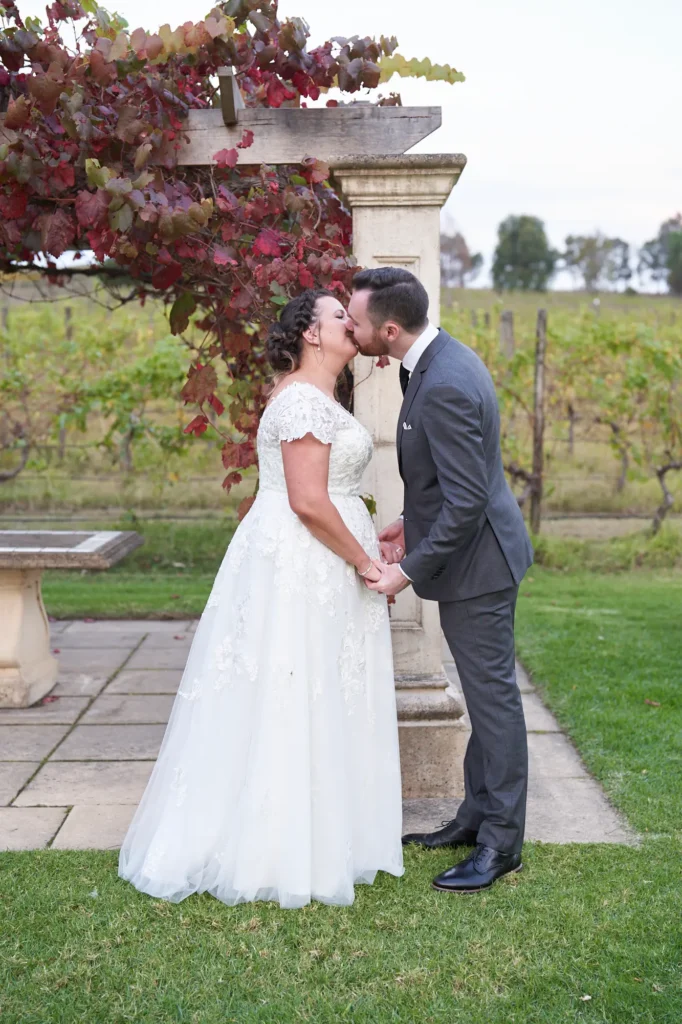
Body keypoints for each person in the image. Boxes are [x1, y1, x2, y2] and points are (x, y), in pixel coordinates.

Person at [118, 289, 404, 908]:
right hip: (306, 560)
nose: (350, 326)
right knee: (293, 685)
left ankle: (331, 834)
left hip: (322, 559)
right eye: (338, 317)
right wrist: (363, 561)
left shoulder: (321, 395)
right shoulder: (300, 398)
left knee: (320, 685)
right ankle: (278, 847)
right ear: (309, 332)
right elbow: (305, 499)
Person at [348, 267, 533, 894]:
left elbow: (466, 503)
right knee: (488, 698)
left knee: (494, 703)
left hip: (479, 567)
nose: (351, 327)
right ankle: (475, 815)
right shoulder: (435, 358)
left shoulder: (446, 382)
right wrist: (406, 521)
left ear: (390, 329)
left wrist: (405, 571)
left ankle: (500, 844)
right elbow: (455, 482)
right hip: (473, 555)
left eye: (357, 320)